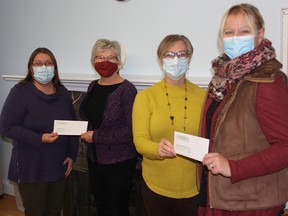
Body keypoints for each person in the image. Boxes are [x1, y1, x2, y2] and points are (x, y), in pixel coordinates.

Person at [199, 4, 288, 216]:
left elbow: (285, 146)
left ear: (260, 35)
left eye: (244, 31)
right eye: (229, 32)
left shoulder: (268, 82)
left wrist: (233, 167)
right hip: (223, 195)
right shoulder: (223, 78)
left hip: (251, 203)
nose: (235, 37)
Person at [132, 34, 206, 216]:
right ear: (160, 60)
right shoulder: (145, 97)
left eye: (182, 54)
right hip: (155, 186)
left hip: (193, 187)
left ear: (190, 58)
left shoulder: (204, 97)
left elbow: (210, 138)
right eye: (169, 55)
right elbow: (139, 141)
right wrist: (157, 148)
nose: (176, 59)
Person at [0, 47, 79, 216]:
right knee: (36, 211)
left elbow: (72, 125)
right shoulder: (20, 92)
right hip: (31, 165)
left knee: (54, 211)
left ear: (55, 68)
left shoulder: (63, 93)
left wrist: (72, 155)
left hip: (59, 164)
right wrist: (39, 138)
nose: (44, 67)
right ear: (31, 68)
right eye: (38, 63)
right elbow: (6, 127)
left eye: (48, 63)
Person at [79, 39, 138, 216]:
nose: (104, 61)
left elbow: (131, 131)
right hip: (94, 160)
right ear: (92, 61)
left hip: (119, 163)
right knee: (101, 206)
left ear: (119, 62)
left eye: (111, 57)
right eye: (99, 57)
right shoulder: (93, 86)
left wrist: (96, 137)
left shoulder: (127, 90)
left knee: (117, 210)